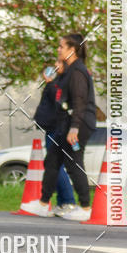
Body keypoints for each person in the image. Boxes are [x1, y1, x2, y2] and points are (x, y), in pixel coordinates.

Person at [26, 33, 96, 221]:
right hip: (67, 123)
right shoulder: (69, 71)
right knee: (52, 161)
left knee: (74, 163)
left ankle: (85, 207)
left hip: (78, 124)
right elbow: (59, 96)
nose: (58, 49)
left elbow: (80, 101)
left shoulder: (78, 72)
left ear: (72, 50)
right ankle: (42, 204)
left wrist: (74, 128)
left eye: (61, 47)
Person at [33, 60, 76, 216]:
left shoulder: (60, 84)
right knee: (53, 165)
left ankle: (69, 201)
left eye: (59, 63)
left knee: (55, 165)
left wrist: (50, 83)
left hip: (58, 128)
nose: (54, 66)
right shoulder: (56, 84)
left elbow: (60, 103)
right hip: (52, 127)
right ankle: (62, 202)